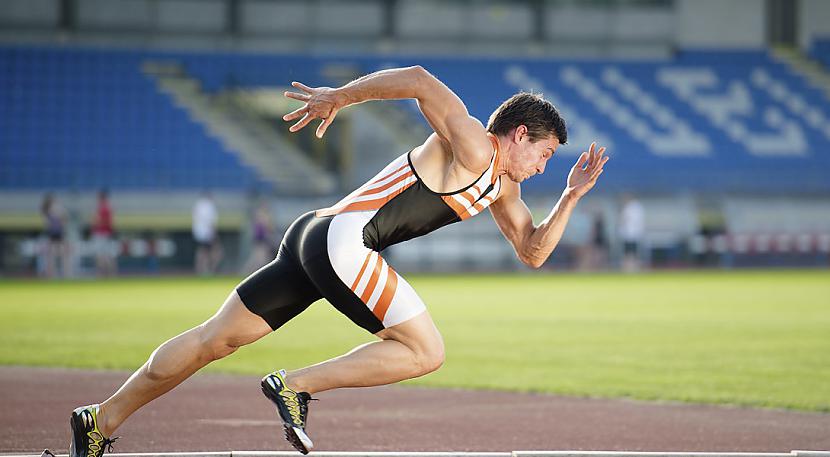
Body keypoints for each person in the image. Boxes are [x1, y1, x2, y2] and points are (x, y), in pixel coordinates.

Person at [68, 66, 609, 457]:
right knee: (426, 352)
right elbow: (420, 80)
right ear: (519, 135)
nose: (543, 166)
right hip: (345, 241)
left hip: (312, 235)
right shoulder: (475, 146)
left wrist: (571, 196)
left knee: (216, 338)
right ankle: (296, 386)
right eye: (544, 154)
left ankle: (102, 418)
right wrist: (339, 97)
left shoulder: (500, 189)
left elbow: (533, 251)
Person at [241, 201, 276, 275]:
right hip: (260, 240)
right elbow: (268, 227)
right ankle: (246, 272)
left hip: (263, 240)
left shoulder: (262, 216)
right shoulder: (261, 215)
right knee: (258, 260)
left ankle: (249, 273)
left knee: (260, 259)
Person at [192, 192, 223, 275]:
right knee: (212, 252)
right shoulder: (209, 206)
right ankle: (207, 270)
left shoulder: (199, 204)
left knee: (203, 252)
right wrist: (213, 233)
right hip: (207, 233)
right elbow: (210, 221)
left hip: (200, 233)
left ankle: (202, 269)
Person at [40, 192, 70, 278]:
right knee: (53, 255)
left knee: (60, 254)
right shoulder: (51, 210)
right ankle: (53, 273)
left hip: (57, 233)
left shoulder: (53, 209)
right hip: (54, 233)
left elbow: (65, 219)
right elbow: (63, 218)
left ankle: (62, 273)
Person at [91, 189, 117, 277]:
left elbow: (104, 222)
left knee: (102, 256)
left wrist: (97, 221)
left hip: (102, 234)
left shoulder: (104, 208)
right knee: (106, 255)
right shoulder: (106, 208)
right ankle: (108, 274)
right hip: (105, 234)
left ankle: (103, 274)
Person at [618, 194, 645, 272]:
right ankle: (632, 267)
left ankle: (629, 267)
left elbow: (624, 219)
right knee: (633, 252)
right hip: (635, 233)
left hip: (629, 234)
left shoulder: (629, 207)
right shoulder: (638, 207)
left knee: (629, 253)